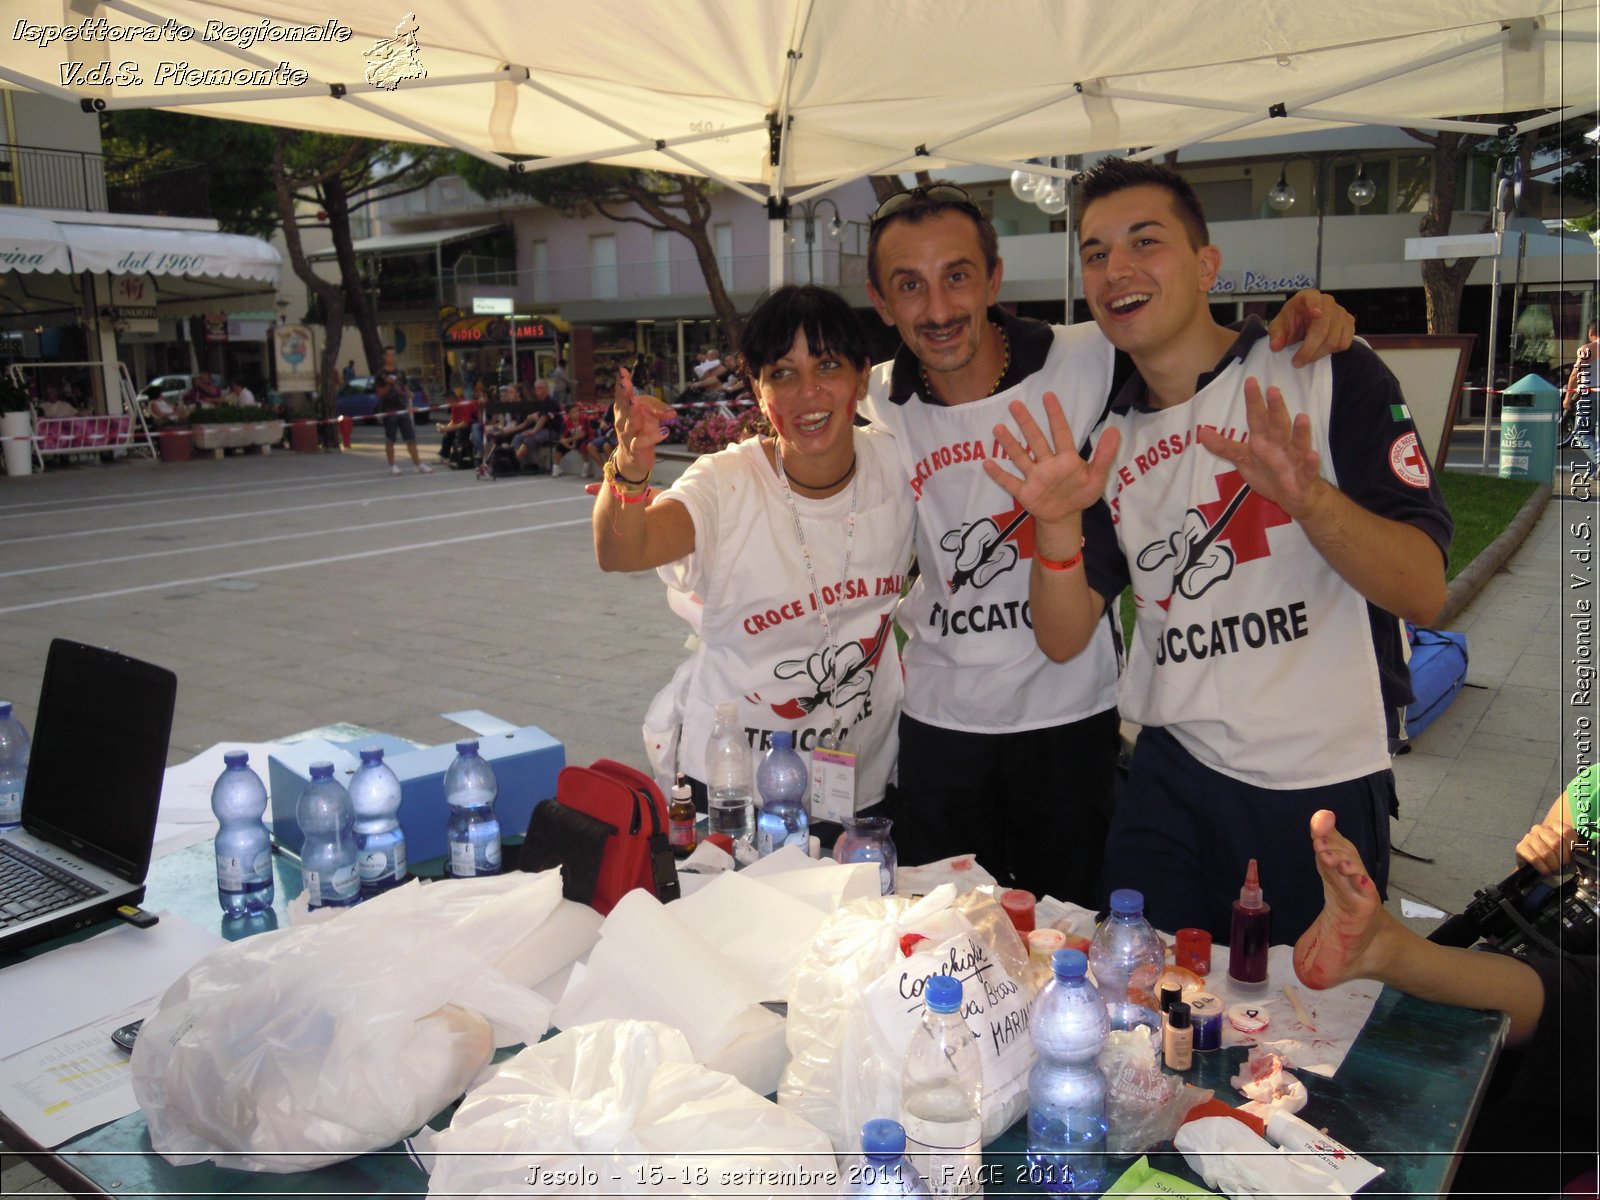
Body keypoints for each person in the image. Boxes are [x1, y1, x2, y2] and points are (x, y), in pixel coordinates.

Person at [985, 158, 1452, 943]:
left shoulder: (1321, 371)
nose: (1116, 270)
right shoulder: (1109, 438)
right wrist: (1057, 529)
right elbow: (1064, 637)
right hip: (1169, 774)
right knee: (1145, 1010)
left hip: (1318, 782)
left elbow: (1423, 590)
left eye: (1145, 241)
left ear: (1207, 265)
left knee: (1301, 1037)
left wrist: (1307, 499)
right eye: (1095, 253)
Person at [858, 180, 1354, 906]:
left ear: (994, 278)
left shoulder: (1087, 355)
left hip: (1072, 714)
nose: (938, 309)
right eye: (910, 285)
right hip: (941, 720)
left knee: (1076, 926)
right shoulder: (873, 400)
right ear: (881, 301)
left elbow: (1191, 341)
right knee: (945, 928)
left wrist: (1299, 315)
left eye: (958, 276)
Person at [594, 285, 914, 829]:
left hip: (858, 783)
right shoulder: (727, 483)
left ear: (861, 378)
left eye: (828, 366)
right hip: (731, 791)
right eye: (782, 374)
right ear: (759, 390)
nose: (807, 394)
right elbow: (625, 548)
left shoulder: (899, 466)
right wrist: (629, 463)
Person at [1293, 780, 1595, 1195]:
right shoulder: (1592, 788)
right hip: (1508, 983)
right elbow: (1525, 899)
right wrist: (1542, 857)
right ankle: (1389, 953)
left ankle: (1389, 951)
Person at [374, 346, 432, 476]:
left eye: (394, 355)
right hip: (389, 409)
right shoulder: (380, 374)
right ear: (384, 357)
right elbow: (379, 393)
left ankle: (418, 464)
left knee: (410, 437)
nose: (392, 358)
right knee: (390, 439)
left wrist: (409, 393)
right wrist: (388, 384)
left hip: (402, 408)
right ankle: (392, 465)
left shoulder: (400, 373)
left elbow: (405, 387)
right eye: (389, 355)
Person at [1563, 322, 1597, 466]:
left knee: (1581, 434)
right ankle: (1596, 471)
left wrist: (1567, 397)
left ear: (1590, 332)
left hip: (1591, 395)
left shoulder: (1587, 349)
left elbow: (1574, 374)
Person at [512, 379, 563, 473]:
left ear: (546, 389)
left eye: (539, 388)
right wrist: (531, 417)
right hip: (541, 429)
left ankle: (514, 462)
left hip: (551, 430)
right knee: (518, 437)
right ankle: (517, 460)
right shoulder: (538, 402)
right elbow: (531, 417)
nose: (537, 391)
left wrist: (533, 431)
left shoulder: (550, 401)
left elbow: (543, 418)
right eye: (535, 388)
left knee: (529, 439)